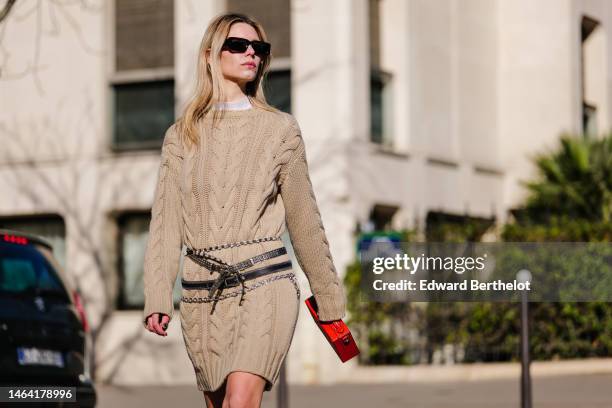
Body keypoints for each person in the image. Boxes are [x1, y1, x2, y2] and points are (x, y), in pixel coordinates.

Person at [142, 12, 347, 408]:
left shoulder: (280, 130)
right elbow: (165, 224)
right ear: (210, 55)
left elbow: (304, 218)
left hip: (264, 282)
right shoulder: (182, 135)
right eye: (238, 45)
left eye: (259, 48)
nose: (251, 53)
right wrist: (157, 295)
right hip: (202, 293)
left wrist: (328, 297)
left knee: (240, 402)